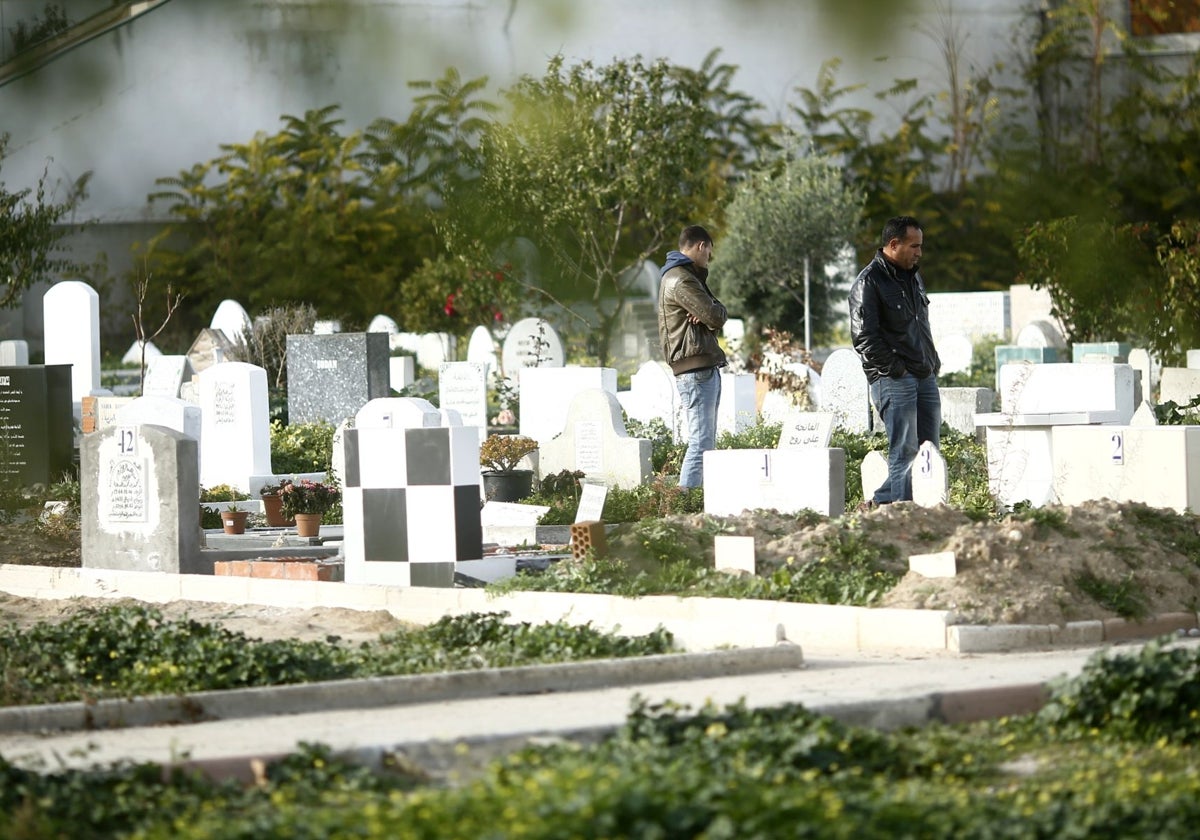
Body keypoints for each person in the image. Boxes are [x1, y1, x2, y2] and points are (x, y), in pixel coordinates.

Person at [849, 215, 942, 506]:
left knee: (929, 450)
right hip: (894, 379)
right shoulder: (869, 283)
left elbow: (920, 324)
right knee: (904, 451)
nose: (919, 253)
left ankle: (883, 503)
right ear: (893, 244)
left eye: (920, 246)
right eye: (914, 246)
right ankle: (902, 513)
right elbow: (865, 339)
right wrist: (897, 370)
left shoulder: (913, 277)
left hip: (924, 374)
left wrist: (932, 361)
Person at [658, 224, 728, 490]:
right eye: (709, 252)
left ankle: (695, 503)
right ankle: (685, 505)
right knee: (700, 443)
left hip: (700, 367)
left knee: (705, 442)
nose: (708, 257)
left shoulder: (685, 276)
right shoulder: (683, 279)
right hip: (696, 370)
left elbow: (712, 313)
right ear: (701, 246)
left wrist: (711, 312)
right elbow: (716, 316)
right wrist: (712, 313)